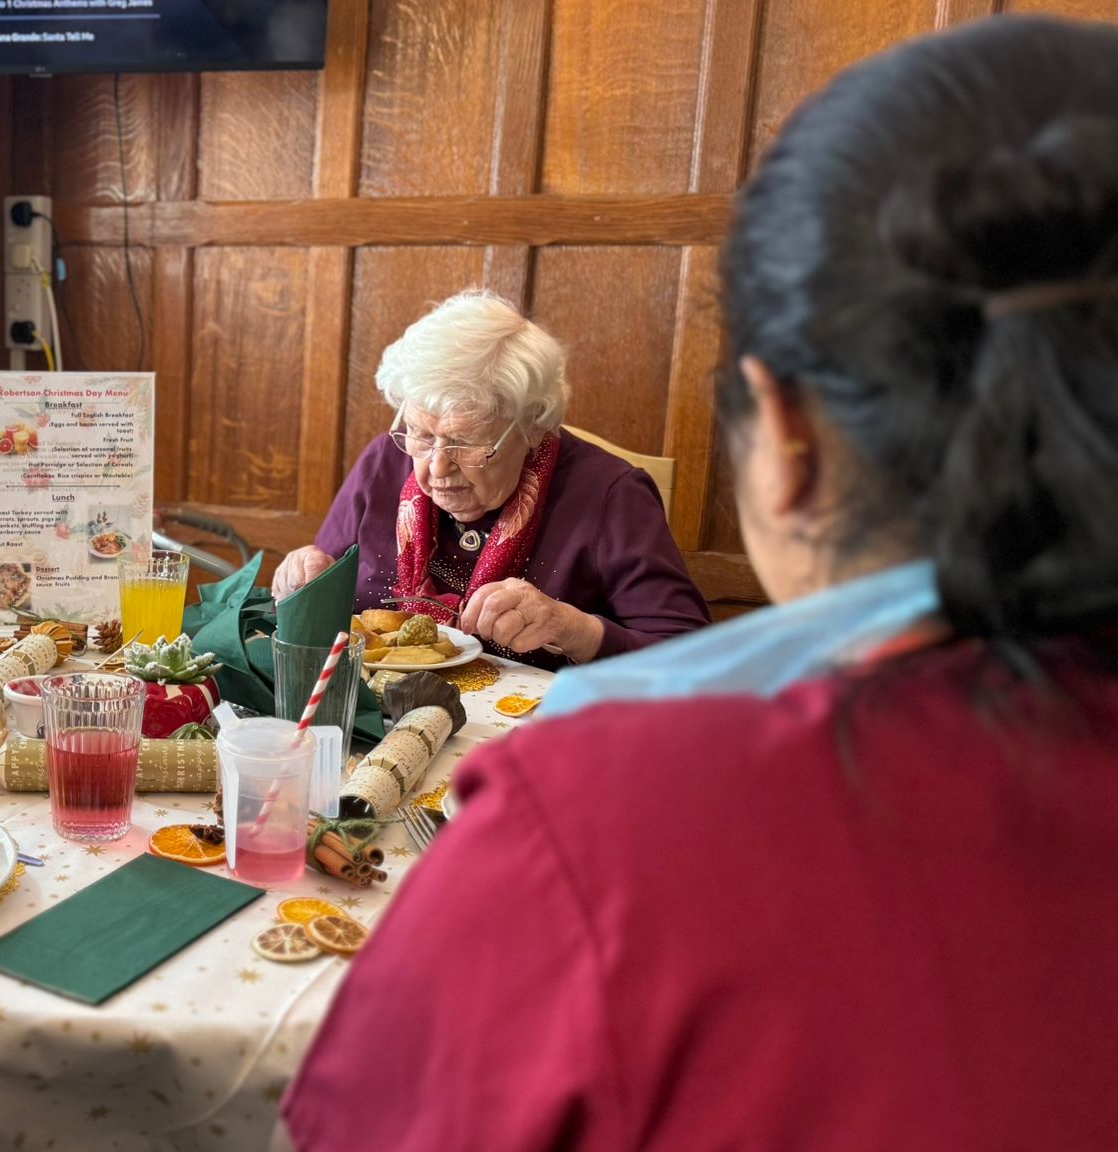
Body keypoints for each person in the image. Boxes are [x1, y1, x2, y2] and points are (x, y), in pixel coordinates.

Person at [282, 15, 1118, 1150]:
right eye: (414, 433)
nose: (429, 463)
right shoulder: (388, 470)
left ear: (783, 433)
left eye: (461, 438)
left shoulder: (591, 816)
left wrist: (579, 634)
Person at [272, 291, 708, 668]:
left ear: (533, 428)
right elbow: (322, 592)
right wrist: (304, 579)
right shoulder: (385, 460)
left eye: (466, 442)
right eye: (423, 435)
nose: (437, 468)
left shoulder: (611, 494)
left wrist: (575, 630)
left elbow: (693, 658)